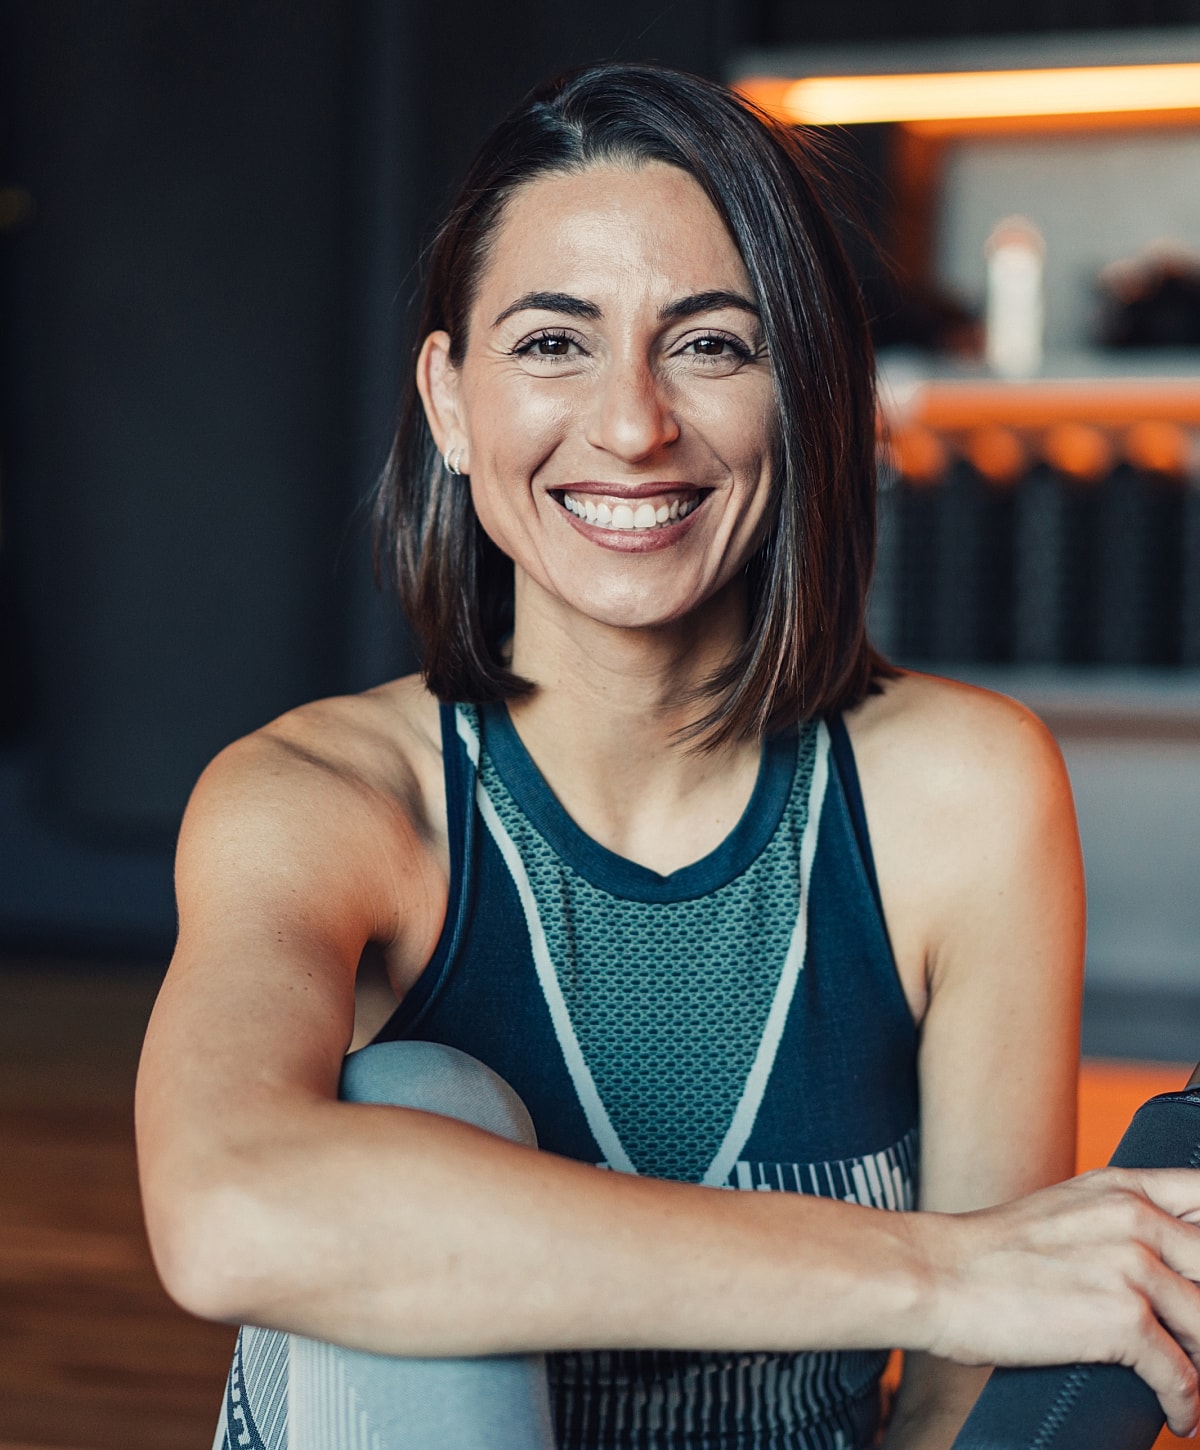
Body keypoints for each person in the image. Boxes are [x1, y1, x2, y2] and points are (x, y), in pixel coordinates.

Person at [134, 63, 1200, 1450]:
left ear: (804, 396)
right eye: (552, 344)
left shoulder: (963, 791)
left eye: (710, 345)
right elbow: (228, 1209)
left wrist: (1029, 1290)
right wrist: (945, 1269)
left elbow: (963, 1389)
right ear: (451, 405)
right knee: (414, 1094)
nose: (633, 425)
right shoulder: (325, 800)